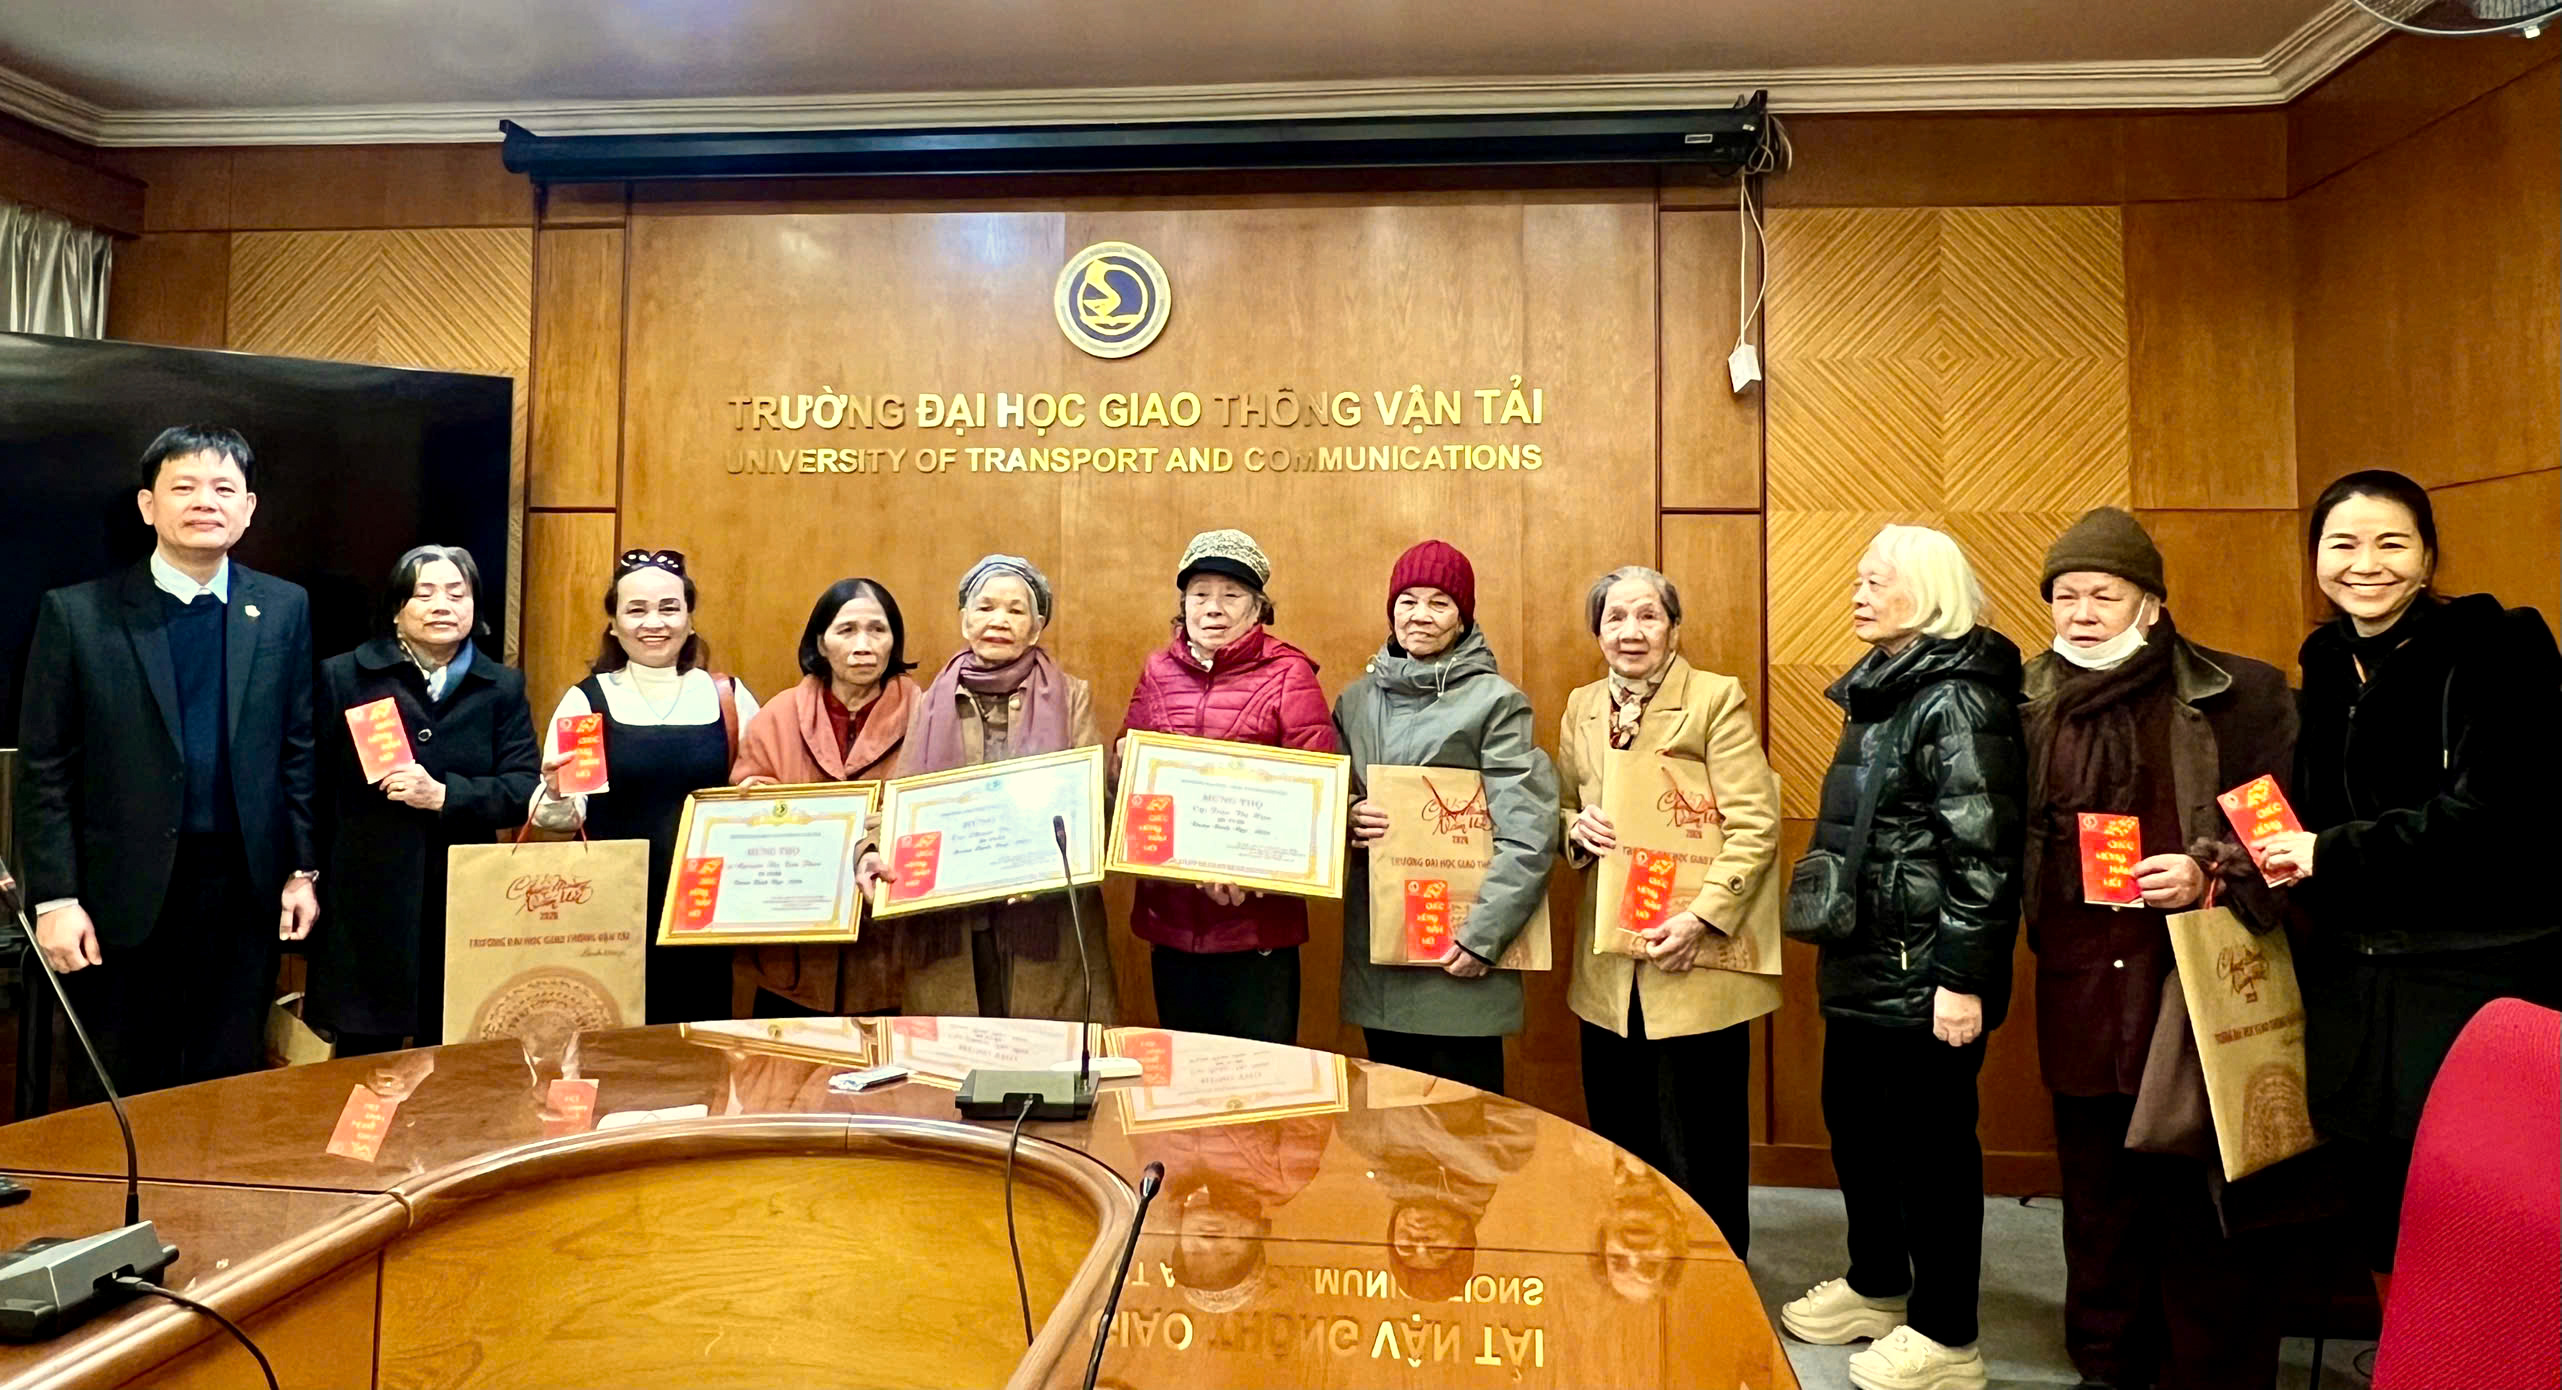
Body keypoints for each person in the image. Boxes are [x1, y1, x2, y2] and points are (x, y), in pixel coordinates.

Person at [2019, 509, 2298, 1390]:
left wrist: (2207, 870)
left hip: (2193, 974)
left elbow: (2278, 836)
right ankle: (2106, 1359)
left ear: (2151, 601)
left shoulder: (2239, 692)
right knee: (2094, 1181)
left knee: (2194, 1182)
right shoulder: (2025, 699)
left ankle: (2197, 1367)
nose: (2082, 614)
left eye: (2104, 595)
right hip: (2079, 969)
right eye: (2066, 596)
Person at [2262, 471, 2562, 1283]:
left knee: (2483, 1201)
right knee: (2379, 1204)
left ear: (2428, 557)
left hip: (2475, 974)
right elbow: (2306, 809)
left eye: (2391, 543)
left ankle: (2475, 1345)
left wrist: (2330, 853)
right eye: (2343, 544)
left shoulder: (2499, 647)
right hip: (2357, 981)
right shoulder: (2326, 662)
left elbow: (2500, 812)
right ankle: (2409, 1345)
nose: (2367, 564)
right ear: (2316, 559)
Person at [1780, 524, 2025, 1390]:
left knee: (1932, 1151)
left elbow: (1984, 854)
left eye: (1876, 580)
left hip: (1926, 972)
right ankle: (1879, 1283)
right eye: (1859, 579)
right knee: (1856, 1124)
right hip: (1867, 960)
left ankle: (1948, 1335)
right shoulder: (1885, 689)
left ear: (1928, 592)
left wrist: (1962, 979)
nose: (1858, 593)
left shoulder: (1958, 700)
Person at [15, 425, 319, 1094]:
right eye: (184, 486)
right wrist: (56, 899)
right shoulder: (78, 614)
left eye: (224, 488)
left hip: (244, 892)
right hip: (118, 894)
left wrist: (302, 871)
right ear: (148, 506)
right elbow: (45, 770)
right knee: (119, 1084)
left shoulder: (283, 609)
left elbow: (297, 749)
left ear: (248, 509)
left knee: (228, 1081)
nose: (205, 501)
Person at [1558, 565, 1782, 1261]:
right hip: (1609, 968)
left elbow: (1756, 825)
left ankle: (1719, 1282)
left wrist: (1703, 919)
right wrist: (1574, 829)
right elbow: (1562, 805)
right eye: (1615, 618)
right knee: (1622, 1136)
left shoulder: (1715, 700)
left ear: (1674, 629)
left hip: (1694, 960)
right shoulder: (1581, 707)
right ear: (1598, 632)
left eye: (1648, 616)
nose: (1631, 632)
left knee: (1701, 1141)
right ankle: (1633, 1274)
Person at [1336, 540, 1558, 1096]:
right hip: (1380, 957)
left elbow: (1528, 830)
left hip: (1463, 953)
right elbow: (1325, 799)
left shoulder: (1497, 702)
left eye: (1440, 603)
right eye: (1408, 601)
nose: (1421, 615)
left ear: (1463, 618)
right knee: (1387, 1126)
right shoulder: (1354, 702)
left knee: (1463, 1129)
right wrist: (1348, 815)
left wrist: (1484, 936)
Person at [307, 545, 540, 1054]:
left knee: (457, 1054)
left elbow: (525, 788)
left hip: (461, 897)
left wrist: (445, 795)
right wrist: (304, 872)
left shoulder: (501, 686)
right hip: (363, 894)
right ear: (396, 609)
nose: (442, 606)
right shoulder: (342, 677)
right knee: (366, 1061)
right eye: (424, 593)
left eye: (457, 594)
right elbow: (309, 785)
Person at [1122, 529, 1336, 1044]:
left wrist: (1256, 871)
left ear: (1258, 607)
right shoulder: (1156, 671)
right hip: (1172, 922)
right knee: (1182, 1074)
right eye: (1200, 594)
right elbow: (1132, 777)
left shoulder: (1289, 674)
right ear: (1183, 605)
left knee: (1260, 1079)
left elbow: (1316, 798)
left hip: (1256, 928)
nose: (1213, 607)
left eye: (1231, 594)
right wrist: (1120, 768)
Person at [530, 548, 758, 1024]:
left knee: (699, 1044)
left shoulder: (728, 698)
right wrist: (554, 792)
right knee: (614, 1046)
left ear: (689, 620)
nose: (654, 623)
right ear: (613, 625)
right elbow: (564, 821)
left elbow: (758, 796)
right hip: (609, 912)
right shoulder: (587, 701)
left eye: (669, 608)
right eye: (636, 610)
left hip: (704, 910)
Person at [897, 554, 1118, 1021]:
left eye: (1016, 610)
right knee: (957, 1054)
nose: (999, 620)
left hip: (1046, 919)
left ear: (1036, 629)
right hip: (953, 921)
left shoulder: (1070, 695)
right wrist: (870, 851)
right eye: (986, 607)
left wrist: (1036, 869)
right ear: (965, 620)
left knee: (1045, 1055)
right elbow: (905, 804)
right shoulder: (929, 702)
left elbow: (1091, 805)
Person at [731, 577, 919, 1019]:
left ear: (894, 641)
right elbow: (743, 811)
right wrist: (756, 813)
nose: (863, 646)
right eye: (846, 630)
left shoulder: (928, 715)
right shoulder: (776, 716)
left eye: (877, 630)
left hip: (890, 957)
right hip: (795, 959)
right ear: (821, 642)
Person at [1336, 1063, 1538, 1302]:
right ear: (1464, 1238)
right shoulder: (1500, 1155)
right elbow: (1509, 1064)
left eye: (1406, 1249)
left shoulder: (1359, 1136)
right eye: (1437, 1250)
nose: (1420, 1242)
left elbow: (1342, 1060)